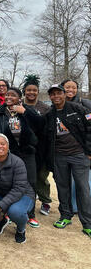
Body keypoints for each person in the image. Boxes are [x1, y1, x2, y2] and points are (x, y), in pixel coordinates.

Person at [0, 86, 43, 227]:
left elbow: (41, 125)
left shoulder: (26, 110)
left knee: (31, 182)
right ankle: (8, 211)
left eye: (13, 95)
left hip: (27, 152)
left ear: (19, 98)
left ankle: (30, 214)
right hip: (10, 154)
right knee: (10, 183)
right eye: (7, 95)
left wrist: (26, 112)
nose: (9, 97)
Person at [44, 84, 91, 238]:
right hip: (59, 157)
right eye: (53, 94)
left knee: (83, 188)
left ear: (64, 94)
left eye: (59, 93)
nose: (56, 96)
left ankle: (87, 223)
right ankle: (65, 216)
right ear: (50, 97)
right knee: (62, 187)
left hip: (79, 155)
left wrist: (89, 151)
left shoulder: (77, 108)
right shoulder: (49, 114)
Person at [22, 75, 52, 216]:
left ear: (38, 92)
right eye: (28, 90)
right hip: (24, 146)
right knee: (27, 177)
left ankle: (45, 201)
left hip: (41, 147)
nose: (31, 93)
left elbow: (46, 128)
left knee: (41, 175)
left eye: (34, 90)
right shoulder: (19, 105)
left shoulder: (45, 108)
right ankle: (27, 200)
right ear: (24, 91)